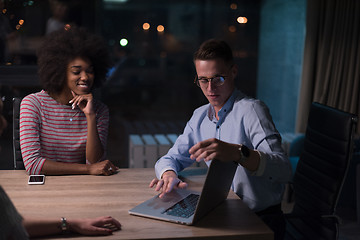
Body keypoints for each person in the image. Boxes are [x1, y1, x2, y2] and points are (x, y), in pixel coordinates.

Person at [149, 39, 292, 240]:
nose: (210, 88)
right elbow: (169, 159)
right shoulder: (199, 117)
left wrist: (238, 153)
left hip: (260, 220)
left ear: (233, 72)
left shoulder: (252, 111)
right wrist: (169, 175)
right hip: (225, 212)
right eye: (203, 80)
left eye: (218, 78)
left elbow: (284, 170)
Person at [20, 26, 118, 175]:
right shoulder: (33, 104)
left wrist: (90, 117)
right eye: (76, 71)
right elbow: (33, 165)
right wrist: (87, 169)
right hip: (46, 190)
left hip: (85, 189)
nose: (85, 77)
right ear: (59, 72)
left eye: (90, 71)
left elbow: (96, 163)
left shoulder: (99, 110)